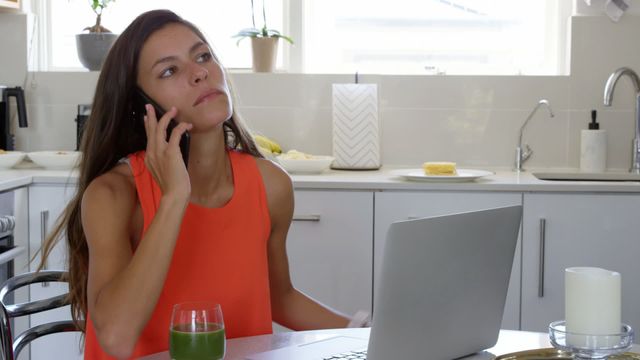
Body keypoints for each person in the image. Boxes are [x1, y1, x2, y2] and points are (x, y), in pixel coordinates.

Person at [38, 9, 363, 360]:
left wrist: (371, 332)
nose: (199, 73)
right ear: (142, 105)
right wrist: (174, 198)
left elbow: (280, 297)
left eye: (203, 55)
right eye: (169, 70)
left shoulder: (270, 185)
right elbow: (116, 337)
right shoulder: (112, 195)